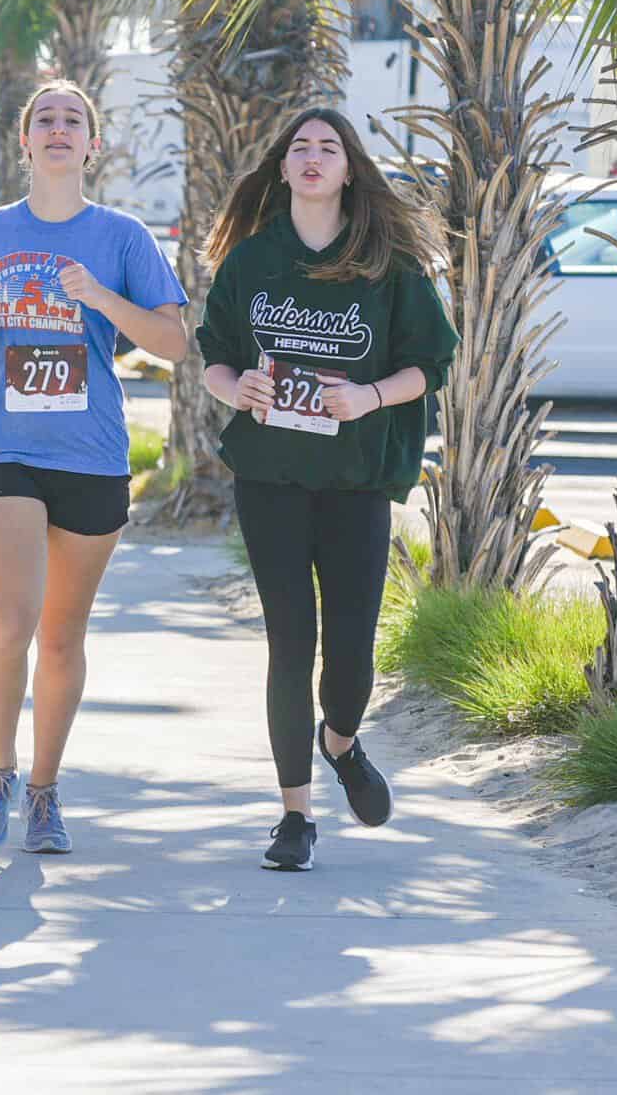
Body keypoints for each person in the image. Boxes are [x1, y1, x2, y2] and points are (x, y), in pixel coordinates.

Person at [196, 108, 458, 872]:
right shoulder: (252, 260)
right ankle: (295, 814)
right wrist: (235, 387)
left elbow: (429, 365)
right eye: (300, 148)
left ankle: (340, 739)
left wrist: (367, 397)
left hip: (354, 482)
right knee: (290, 641)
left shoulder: (386, 260)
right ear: (282, 168)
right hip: (271, 479)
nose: (313, 157)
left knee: (350, 650)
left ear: (349, 168)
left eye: (328, 147)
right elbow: (214, 356)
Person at [0, 81, 187, 853]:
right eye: (43, 118)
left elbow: (174, 342)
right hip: (5, 448)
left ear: (92, 144)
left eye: (71, 120)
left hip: (91, 454)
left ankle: (44, 790)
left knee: (59, 636)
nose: (57, 129)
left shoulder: (122, 236)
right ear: (25, 140)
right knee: (10, 621)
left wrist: (103, 300)